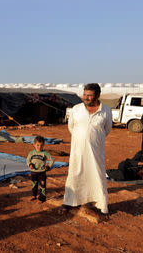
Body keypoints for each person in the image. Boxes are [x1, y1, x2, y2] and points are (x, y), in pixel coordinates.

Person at [61, 83, 112, 219]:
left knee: (97, 175)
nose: (86, 98)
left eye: (89, 95)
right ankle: (69, 202)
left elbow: (106, 130)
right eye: (84, 95)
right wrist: (82, 139)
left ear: (97, 96)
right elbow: (71, 127)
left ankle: (101, 205)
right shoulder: (76, 109)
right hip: (77, 151)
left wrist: (93, 139)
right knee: (75, 174)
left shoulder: (106, 110)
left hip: (96, 151)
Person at [26, 135, 55, 203]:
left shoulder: (45, 153)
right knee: (34, 184)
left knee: (42, 185)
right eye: (37, 145)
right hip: (33, 172)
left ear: (44, 145)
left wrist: (48, 166)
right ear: (34, 145)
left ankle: (42, 198)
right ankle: (34, 195)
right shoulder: (31, 153)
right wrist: (30, 164)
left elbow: (52, 159)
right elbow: (28, 160)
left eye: (41, 145)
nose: (39, 147)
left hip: (42, 172)